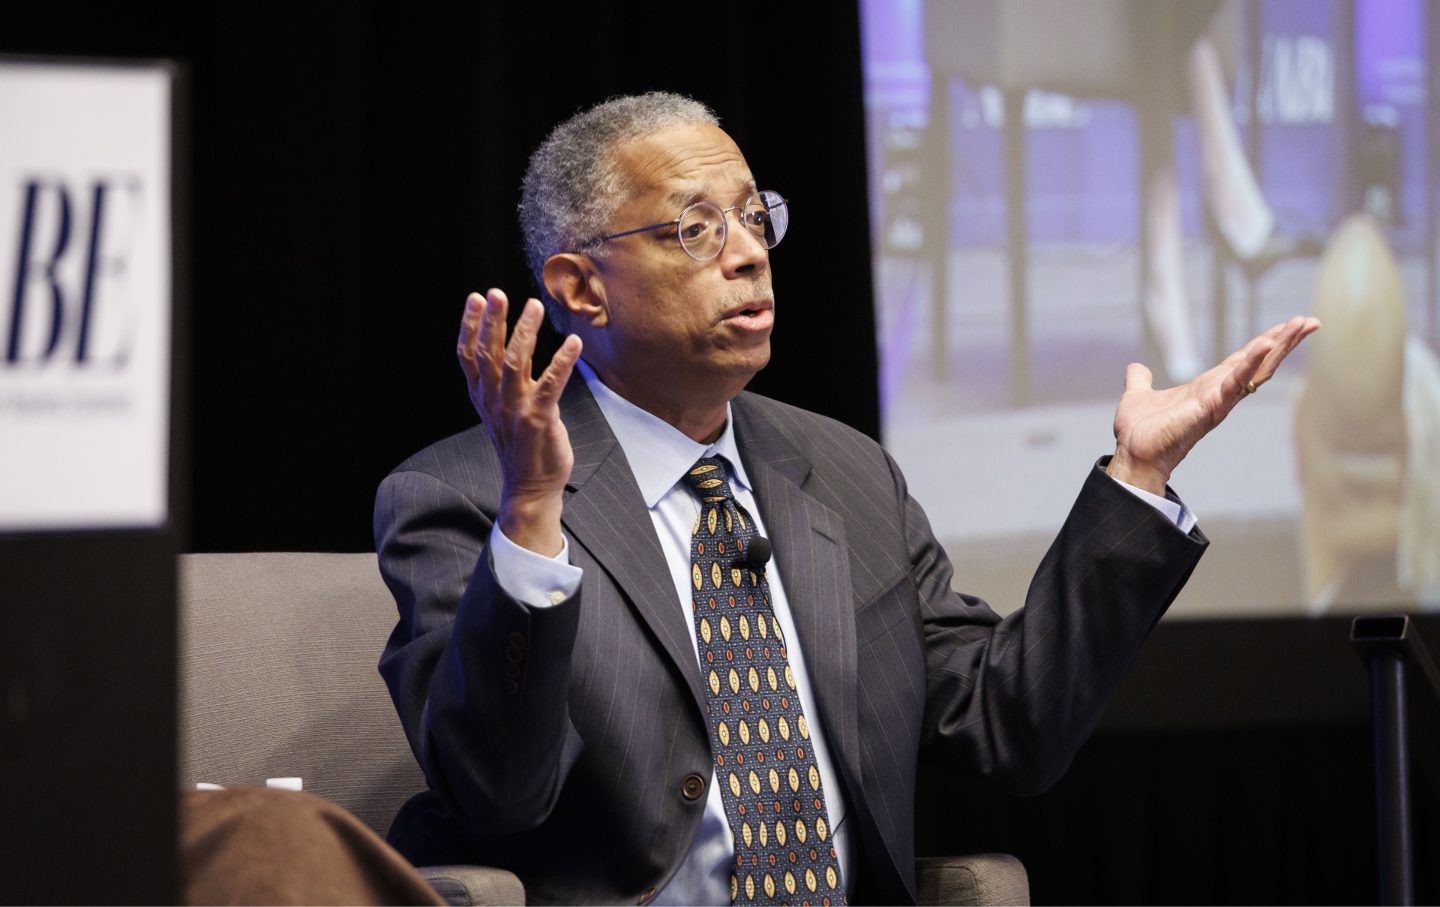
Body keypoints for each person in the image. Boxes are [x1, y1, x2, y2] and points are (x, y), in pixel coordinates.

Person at [375, 92, 1318, 905]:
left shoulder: (845, 471)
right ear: (582, 286)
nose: (749, 254)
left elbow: (1005, 723)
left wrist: (1137, 479)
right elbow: (497, 790)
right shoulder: (459, 497)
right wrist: (534, 513)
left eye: (755, 217)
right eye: (697, 228)